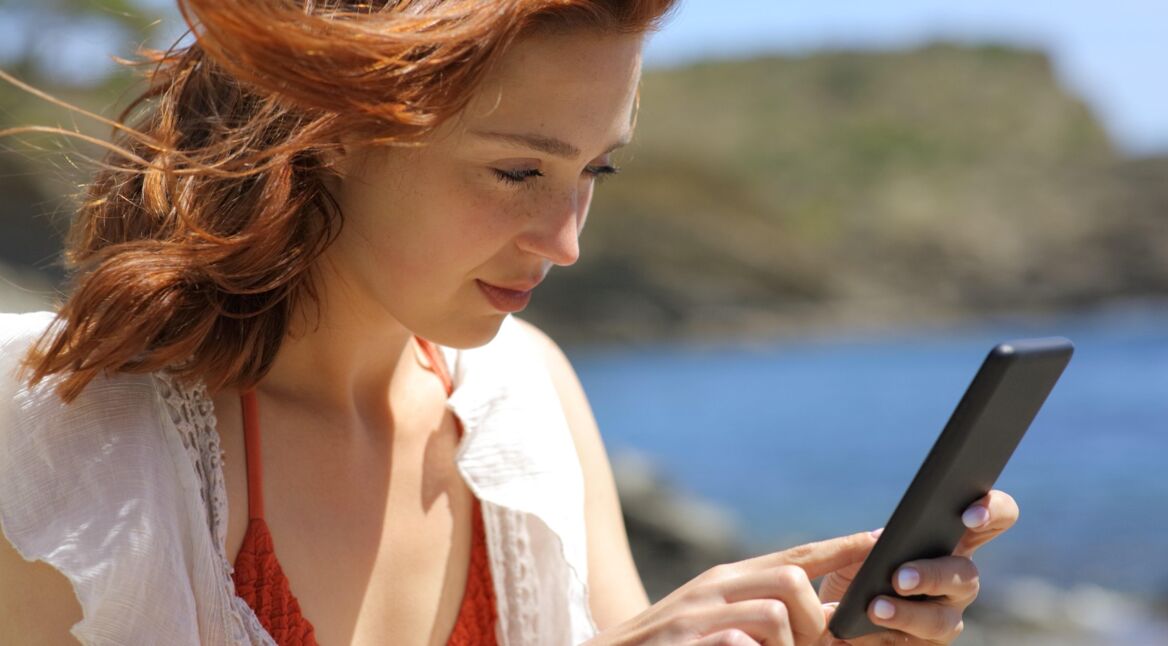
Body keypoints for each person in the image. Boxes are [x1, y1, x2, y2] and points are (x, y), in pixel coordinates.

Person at [0, 1, 1019, 644]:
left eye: (593, 172)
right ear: (327, 136)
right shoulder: (61, 437)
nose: (565, 237)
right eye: (518, 170)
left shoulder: (525, 392)